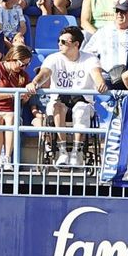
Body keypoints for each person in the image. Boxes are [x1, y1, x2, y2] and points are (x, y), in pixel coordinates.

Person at [25, 25, 106, 167]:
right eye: (59, 41)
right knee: (57, 106)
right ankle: (62, 150)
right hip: (60, 99)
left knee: (81, 110)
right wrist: (34, 83)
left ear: (76, 44)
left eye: (64, 42)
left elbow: (96, 74)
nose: (59, 44)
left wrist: (100, 83)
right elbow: (44, 73)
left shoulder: (90, 59)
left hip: (83, 100)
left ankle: (77, 151)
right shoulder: (53, 58)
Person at [0, 43, 33, 169]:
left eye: (27, 65)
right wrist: (13, 95)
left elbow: (21, 102)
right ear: (12, 58)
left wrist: (25, 97)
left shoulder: (23, 76)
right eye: (21, 64)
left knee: (11, 119)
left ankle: (8, 158)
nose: (23, 67)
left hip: (9, 111)